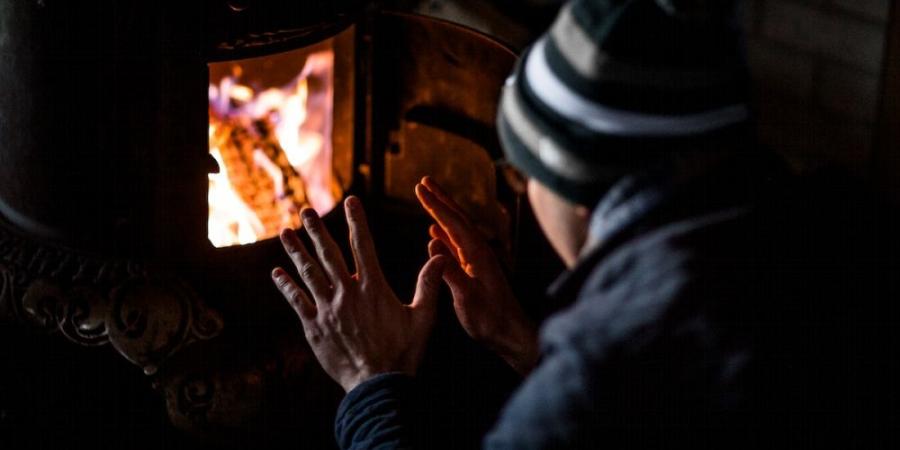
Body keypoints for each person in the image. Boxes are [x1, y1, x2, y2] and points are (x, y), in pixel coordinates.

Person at [271, 0, 900, 448]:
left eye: (521, 172)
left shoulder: (593, 380)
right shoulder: (829, 231)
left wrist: (371, 379)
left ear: (575, 190)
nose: (519, 188)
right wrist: (521, 340)